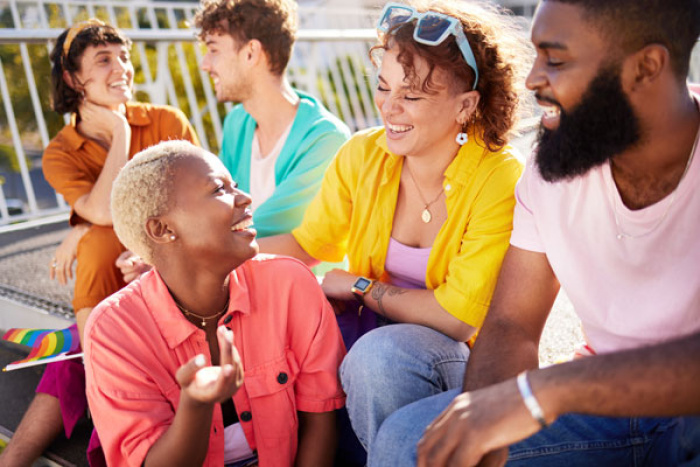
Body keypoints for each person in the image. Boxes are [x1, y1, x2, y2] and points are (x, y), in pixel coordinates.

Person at [369, 0, 700, 465]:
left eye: (557, 60)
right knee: (408, 441)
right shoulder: (554, 166)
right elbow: (512, 324)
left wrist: (542, 392)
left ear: (646, 67)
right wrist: (481, 425)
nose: (532, 81)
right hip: (600, 410)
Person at [257, 0, 529, 459]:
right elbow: (305, 244)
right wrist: (205, 256)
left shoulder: (499, 176)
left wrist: (360, 286)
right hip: (369, 343)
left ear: (466, 105)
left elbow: (457, 320)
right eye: (384, 87)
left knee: (381, 357)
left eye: (413, 96)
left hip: (466, 363)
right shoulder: (362, 154)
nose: (389, 108)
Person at [0, 20, 198, 466]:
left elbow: (204, 206)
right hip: (114, 298)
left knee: (78, 341)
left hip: (176, 275)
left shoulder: (168, 121)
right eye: (104, 60)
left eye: (123, 57)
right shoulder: (61, 151)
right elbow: (107, 211)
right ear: (73, 79)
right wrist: (121, 134)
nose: (121, 68)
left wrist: (146, 250)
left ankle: (95, 362)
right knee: (74, 356)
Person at [84, 140, 346, 466]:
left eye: (234, 184)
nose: (245, 198)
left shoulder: (291, 283)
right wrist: (196, 404)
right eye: (219, 189)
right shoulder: (114, 331)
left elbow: (320, 424)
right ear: (162, 229)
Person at [115, 0, 351, 280]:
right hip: (238, 280)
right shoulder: (238, 123)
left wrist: (175, 258)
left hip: (300, 291)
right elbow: (216, 213)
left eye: (213, 50)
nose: (205, 64)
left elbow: (299, 245)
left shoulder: (326, 139)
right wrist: (160, 252)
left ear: (251, 53)